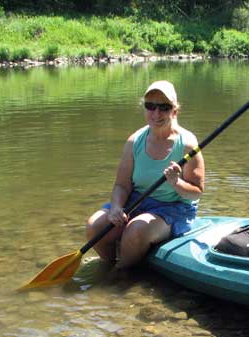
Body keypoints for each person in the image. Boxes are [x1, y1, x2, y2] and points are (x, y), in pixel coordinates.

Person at [86, 80, 205, 269]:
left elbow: (196, 193)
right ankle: (109, 265)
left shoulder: (188, 144)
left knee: (136, 229)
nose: (156, 113)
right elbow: (122, 185)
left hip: (173, 208)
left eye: (164, 107)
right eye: (150, 106)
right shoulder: (134, 141)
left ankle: (121, 274)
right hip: (136, 201)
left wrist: (176, 183)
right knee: (94, 226)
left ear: (174, 111)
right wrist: (116, 207)